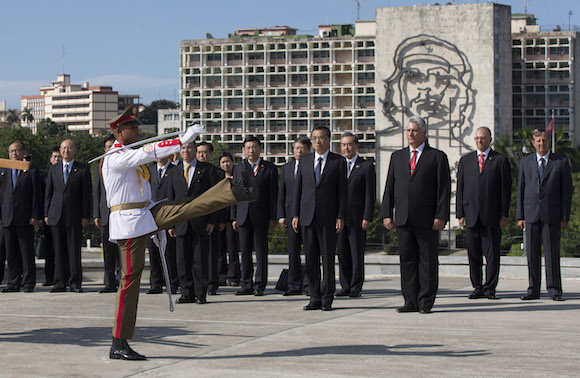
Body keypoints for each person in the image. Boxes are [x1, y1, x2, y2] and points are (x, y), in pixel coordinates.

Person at [102, 105, 255, 360]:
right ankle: (118, 342)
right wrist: (181, 140)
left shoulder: (128, 154)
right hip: (128, 225)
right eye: (133, 127)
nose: (138, 130)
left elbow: (143, 193)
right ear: (119, 132)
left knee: (187, 207)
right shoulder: (115, 158)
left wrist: (155, 227)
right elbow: (149, 152)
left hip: (145, 214)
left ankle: (235, 190)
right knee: (129, 280)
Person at [379, 116, 450, 314]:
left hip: (428, 219)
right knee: (407, 261)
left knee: (427, 261)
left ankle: (425, 301)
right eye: (408, 130)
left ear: (424, 133)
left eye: (415, 131)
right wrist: (387, 213)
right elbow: (390, 187)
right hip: (403, 218)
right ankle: (410, 300)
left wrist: (441, 216)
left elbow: (443, 189)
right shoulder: (397, 157)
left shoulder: (437, 157)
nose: (410, 134)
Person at [292, 126, 347, 311]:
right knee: (311, 260)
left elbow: (342, 192)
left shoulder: (338, 162)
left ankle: (327, 298)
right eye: (314, 138)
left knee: (328, 260)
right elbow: (298, 189)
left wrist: (340, 216)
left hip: (329, 218)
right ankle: (314, 297)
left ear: (329, 140)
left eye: (321, 138)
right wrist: (295, 214)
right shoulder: (305, 160)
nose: (317, 141)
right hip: (307, 217)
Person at [516, 128, 573, 301]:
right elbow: (521, 189)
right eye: (538, 141)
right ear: (533, 143)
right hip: (531, 214)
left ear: (549, 142)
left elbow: (567, 192)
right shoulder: (525, 162)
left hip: (552, 215)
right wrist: (520, 215)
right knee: (532, 255)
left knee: (551, 253)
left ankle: (554, 289)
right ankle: (533, 289)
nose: (541, 144)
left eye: (544, 140)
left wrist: (565, 217)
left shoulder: (560, 162)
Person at [456, 127, 511, 300]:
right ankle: (477, 287)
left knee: (492, 255)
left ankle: (490, 289)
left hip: (492, 217)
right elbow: (460, 189)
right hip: (471, 216)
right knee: (473, 255)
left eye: (483, 138)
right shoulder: (466, 161)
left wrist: (504, 214)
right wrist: (460, 214)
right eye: (477, 138)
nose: (480, 141)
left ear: (490, 140)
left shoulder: (500, 160)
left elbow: (505, 190)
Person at [167, 142, 219, 304]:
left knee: (200, 260)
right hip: (181, 222)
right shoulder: (174, 171)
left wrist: (212, 220)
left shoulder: (207, 170)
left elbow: (213, 198)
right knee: (182, 260)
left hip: (200, 221)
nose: (186, 151)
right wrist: (171, 223)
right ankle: (186, 292)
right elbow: (171, 200)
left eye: (189, 148)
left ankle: (200, 293)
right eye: (183, 148)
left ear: (195, 150)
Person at [232, 136, 278, 296]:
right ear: (244, 150)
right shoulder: (239, 168)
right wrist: (234, 217)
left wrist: (273, 217)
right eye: (248, 148)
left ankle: (260, 285)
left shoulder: (269, 168)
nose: (251, 151)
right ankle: (246, 284)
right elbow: (234, 194)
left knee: (260, 253)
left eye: (254, 147)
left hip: (262, 216)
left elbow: (273, 194)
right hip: (243, 216)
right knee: (244, 253)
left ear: (260, 149)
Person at [44, 139, 92, 293]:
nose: (66, 151)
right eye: (64, 148)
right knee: (58, 251)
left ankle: (75, 283)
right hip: (56, 215)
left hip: (75, 216)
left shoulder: (83, 169)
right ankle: (59, 282)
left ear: (75, 150)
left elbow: (86, 195)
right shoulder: (54, 169)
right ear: (60, 149)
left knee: (73, 251)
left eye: (70, 148)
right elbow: (48, 194)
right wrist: (46, 214)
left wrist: (86, 215)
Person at [336, 132, 376, 298]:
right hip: (339, 218)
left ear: (356, 146)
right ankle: (345, 286)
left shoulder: (366, 166)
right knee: (342, 253)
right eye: (343, 145)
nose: (346, 147)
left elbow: (370, 194)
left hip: (357, 218)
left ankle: (355, 287)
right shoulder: (337, 165)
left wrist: (367, 216)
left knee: (356, 254)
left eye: (350, 144)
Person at [0, 141, 42, 293]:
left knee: (26, 252)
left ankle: (29, 282)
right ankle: (13, 282)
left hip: (25, 218)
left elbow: (37, 195)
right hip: (7, 217)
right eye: (11, 151)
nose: (14, 154)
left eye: (17, 151)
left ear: (24, 152)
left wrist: (35, 215)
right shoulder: (4, 170)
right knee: (11, 253)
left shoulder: (31, 170)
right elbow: (1, 195)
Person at [277, 136, 311, 296]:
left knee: (310, 252)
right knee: (293, 252)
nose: (299, 151)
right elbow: (281, 194)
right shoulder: (286, 168)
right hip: (290, 216)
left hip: (308, 215)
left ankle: (309, 285)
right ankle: (293, 285)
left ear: (308, 150)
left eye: (302, 148)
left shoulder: (312, 167)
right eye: (297, 148)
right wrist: (281, 216)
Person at [145, 155, 178, 295]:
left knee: (170, 252)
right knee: (153, 251)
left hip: (168, 215)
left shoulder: (175, 170)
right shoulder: (149, 170)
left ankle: (173, 283)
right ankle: (155, 283)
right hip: (151, 216)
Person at [93, 135, 122, 293]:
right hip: (106, 215)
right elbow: (97, 191)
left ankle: (123, 281)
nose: (110, 149)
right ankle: (109, 283)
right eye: (107, 147)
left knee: (122, 251)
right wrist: (96, 213)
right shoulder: (101, 165)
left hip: (121, 214)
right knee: (108, 252)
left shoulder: (123, 164)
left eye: (113, 146)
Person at [196, 141, 223, 295]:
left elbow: (219, 199)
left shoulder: (217, 173)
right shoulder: (192, 171)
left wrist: (215, 220)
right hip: (195, 217)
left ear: (211, 154)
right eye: (199, 152)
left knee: (213, 253)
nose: (202, 155)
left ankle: (212, 284)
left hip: (212, 219)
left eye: (205, 152)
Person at [217, 152, 241, 286]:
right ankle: (221, 276)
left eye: (228, 161)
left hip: (233, 218)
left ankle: (234, 277)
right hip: (221, 218)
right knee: (220, 249)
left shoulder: (238, 177)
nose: (225, 164)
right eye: (223, 162)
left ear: (232, 162)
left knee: (233, 249)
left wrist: (234, 218)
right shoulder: (218, 178)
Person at [41, 147, 62, 286]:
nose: (56, 159)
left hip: (62, 217)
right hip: (49, 218)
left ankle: (62, 276)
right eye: (54, 157)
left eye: (59, 157)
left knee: (61, 249)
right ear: (50, 159)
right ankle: (49, 277)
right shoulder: (45, 176)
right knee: (49, 250)